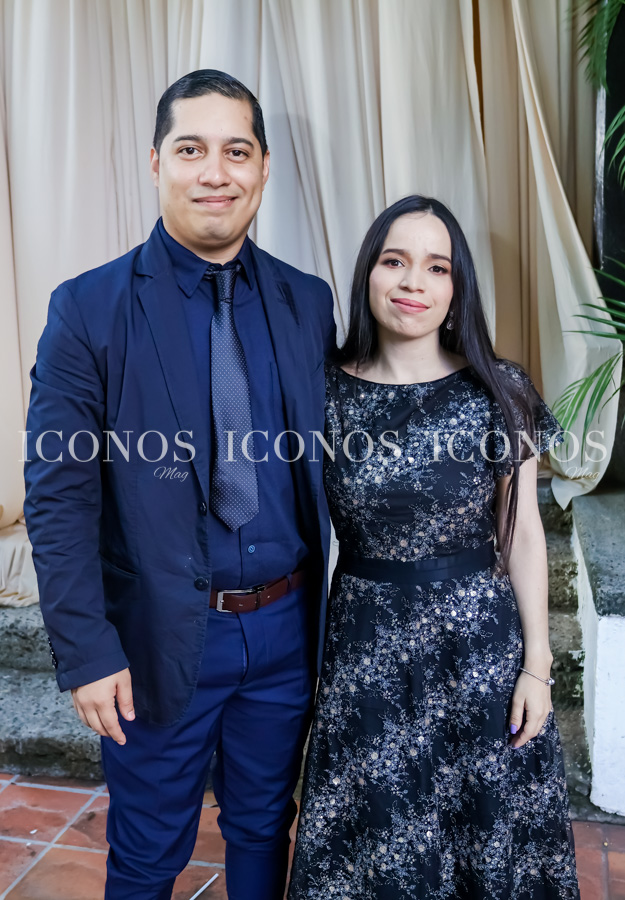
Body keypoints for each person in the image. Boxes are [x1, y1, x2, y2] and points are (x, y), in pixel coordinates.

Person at [23, 69, 335, 900]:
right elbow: (57, 497)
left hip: (286, 630)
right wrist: (87, 653)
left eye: (236, 151)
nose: (215, 172)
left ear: (263, 167)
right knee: (148, 855)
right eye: (192, 149)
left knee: (265, 828)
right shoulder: (88, 309)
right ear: (156, 161)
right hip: (155, 640)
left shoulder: (307, 303)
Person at [288, 195, 580, 899]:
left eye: (436, 267)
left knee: (483, 843)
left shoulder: (499, 389)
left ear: (456, 289)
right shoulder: (320, 392)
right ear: (368, 273)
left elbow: (522, 534)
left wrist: (537, 667)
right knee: (379, 848)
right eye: (394, 261)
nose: (413, 281)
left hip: (478, 655)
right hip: (366, 654)